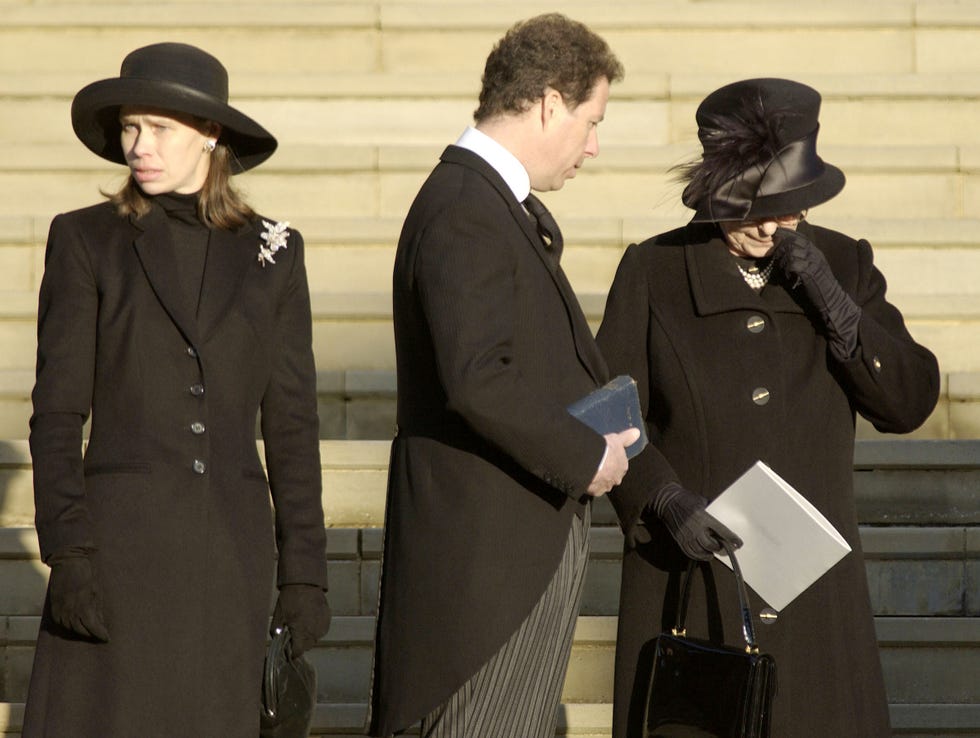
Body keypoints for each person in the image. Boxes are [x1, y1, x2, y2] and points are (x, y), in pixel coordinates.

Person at [596, 78, 940, 738]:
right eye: (750, 206)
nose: (769, 224)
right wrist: (663, 497)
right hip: (694, 576)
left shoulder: (842, 260)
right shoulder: (653, 269)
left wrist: (835, 304)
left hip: (815, 592)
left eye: (787, 207)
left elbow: (909, 401)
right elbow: (605, 404)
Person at [24, 42, 331, 737]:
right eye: (130, 128)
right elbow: (56, 414)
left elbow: (292, 425)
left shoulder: (275, 252)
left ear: (210, 134)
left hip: (230, 561)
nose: (138, 146)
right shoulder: (85, 241)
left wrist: (305, 576)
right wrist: (68, 552)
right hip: (118, 557)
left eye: (158, 128)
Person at [368, 14, 632, 738]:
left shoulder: (485, 203)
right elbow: (478, 378)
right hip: (486, 576)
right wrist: (588, 456)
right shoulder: (465, 209)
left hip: (505, 557)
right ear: (549, 102)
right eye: (590, 119)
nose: (594, 144)